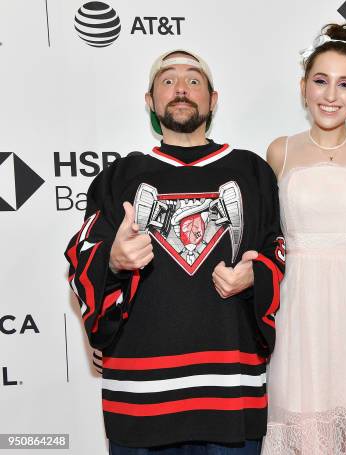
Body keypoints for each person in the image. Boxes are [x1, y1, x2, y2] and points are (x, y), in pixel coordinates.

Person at [64, 49, 285, 454]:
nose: (181, 88)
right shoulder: (119, 178)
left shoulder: (252, 172)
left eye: (193, 80)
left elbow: (278, 250)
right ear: (150, 101)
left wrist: (257, 275)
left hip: (230, 395)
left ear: (213, 100)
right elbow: (82, 257)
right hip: (140, 397)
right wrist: (112, 260)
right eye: (167, 81)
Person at [261, 24, 346, 454]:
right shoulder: (279, 152)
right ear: (303, 87)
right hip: (298, 309)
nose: (331, 95)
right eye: (321, 81)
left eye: (345, 85)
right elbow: (267, 241)